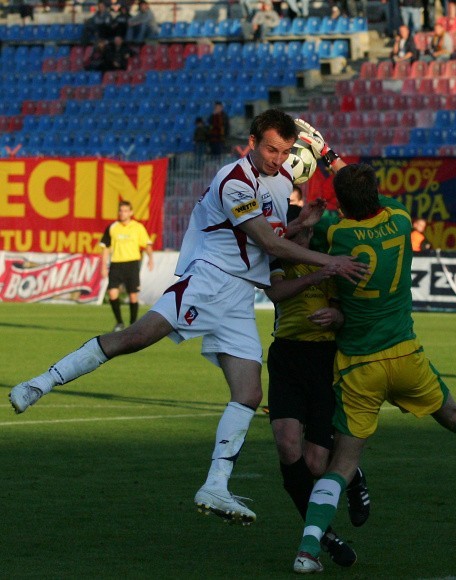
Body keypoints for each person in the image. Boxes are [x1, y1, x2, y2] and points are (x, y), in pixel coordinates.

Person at [8, 109, 367, 528]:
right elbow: (267, 240)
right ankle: (41, 382)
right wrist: (329, 261)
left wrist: (301, 223)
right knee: (136, 337)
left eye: (285, 151)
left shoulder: (284, 179)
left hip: (239, 296)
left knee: (249, 395)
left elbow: (273, 240)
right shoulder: (234, 180)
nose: (277, 157)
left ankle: (216, 484)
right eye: (271, 148)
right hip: (209, 279)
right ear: (252, 142)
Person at [289, 123, 456, 573]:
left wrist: (305, 204)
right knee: (455, 415)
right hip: (405, 355)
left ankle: (307, 550)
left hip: (359, 365)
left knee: (341, 464)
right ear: (377, 193)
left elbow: (300, 239)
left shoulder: (334, 234)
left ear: (341, 204)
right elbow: (359, 185)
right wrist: (330, 153)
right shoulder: (397, 220)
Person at [265, 205, 370, 569]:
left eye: (299, 234)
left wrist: (335, 315)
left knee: (315, 463)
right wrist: (315, 274)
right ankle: (324, 537)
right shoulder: (278, 260)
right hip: (288, 357)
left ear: (310, 235)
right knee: (286, 444)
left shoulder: (333, 266)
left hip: (325, 360)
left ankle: (351, 472)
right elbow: (276, 294)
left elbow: (345, 314)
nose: (293, 240)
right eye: (288, 234)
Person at [100, 200, 154, 332]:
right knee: (112, 293)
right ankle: (119, 322)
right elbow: (106, 248)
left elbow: (147, 244)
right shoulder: (112, 227)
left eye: (125, 211)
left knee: (133, 296)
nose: (122, 213)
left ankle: (133, 323)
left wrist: (150, 258)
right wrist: (103, 265)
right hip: (116, 264)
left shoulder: (138, 227)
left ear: (130, 212)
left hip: (132, 264)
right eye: (120, 210)